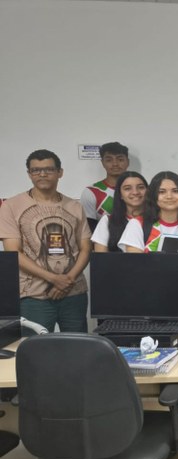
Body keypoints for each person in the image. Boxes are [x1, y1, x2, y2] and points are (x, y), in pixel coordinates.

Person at [0, 149, 91, 333]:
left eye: (49, 169)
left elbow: (85, 248)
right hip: (33, 296)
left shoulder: (74, 206)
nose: (42, 174)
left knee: (78, 350)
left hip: (74, 293)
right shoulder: (11, 206)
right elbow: (13, 253)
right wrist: (55, 279)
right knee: (34, 351)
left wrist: (68, 280)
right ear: (29, 174)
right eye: (36, 170)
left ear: (60, 172)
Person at [119, 171, 178, 272]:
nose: (169, 196)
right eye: (162, 192)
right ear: (153, 196)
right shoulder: (137, 224)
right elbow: (135, 265)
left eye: (175, 191)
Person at [91, 171, 148, 252]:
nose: (135, 192)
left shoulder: (156, 221)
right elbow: (101, 259)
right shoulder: (107, 221)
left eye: (141, 187)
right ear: (120, 194)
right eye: (127, 188)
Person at [80, 141, 130, 232]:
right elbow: (89, 229)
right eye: (109, 160)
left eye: (120, 159)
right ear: (102, 163)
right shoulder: (91, 192)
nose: (115, 164)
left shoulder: (139, 191)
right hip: (103, 244)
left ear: (128, 162)